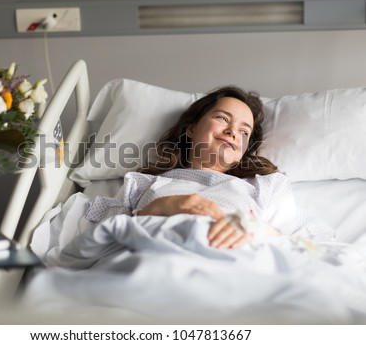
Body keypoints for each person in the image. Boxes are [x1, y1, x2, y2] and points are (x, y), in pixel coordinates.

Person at [85, 85, 334, 249]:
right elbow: (99, 240)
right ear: (191, 129)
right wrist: (156, 209)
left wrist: (256, 230)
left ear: (245, 148)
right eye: (223, 118)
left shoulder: (263, 187)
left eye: (244, 131)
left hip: (235, 267)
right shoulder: (142, 183)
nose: (232, 132)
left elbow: (307, 245)